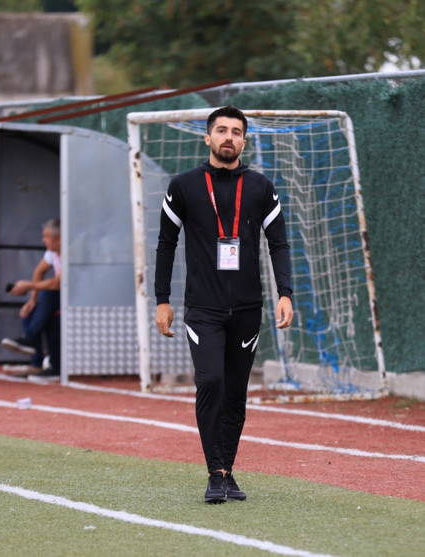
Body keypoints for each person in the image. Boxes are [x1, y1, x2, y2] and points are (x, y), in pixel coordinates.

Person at [154, 105, 294, 503]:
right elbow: (166, 244)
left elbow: (278, 244)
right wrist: (161, 300)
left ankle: (225, 471)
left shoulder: (261, 187)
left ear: (244, 140)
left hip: (249, 307)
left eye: (236, 131)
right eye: (221, 130)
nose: (228, 137)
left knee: (235, 392)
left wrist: (285, 292)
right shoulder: (183, 186)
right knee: (210, 381)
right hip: (203, 308)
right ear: (208, 138)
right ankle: (215, 471)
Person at [1, 218, 61, 380]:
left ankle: (29, 340)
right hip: (58, 297)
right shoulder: (52, 252)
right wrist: (32, 299)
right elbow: (38, 272)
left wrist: (28, 286)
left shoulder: (70, 251)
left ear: (58, 239)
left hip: (76, 297)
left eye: (46, 237)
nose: (43, 240)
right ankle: (36, 364)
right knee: (31, 310)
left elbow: (57, 283)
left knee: (47, 296)